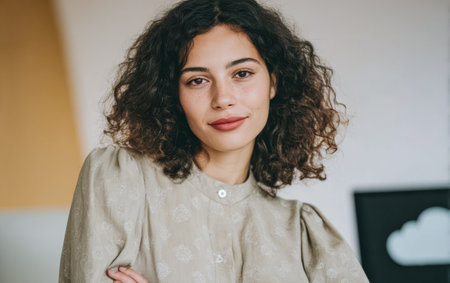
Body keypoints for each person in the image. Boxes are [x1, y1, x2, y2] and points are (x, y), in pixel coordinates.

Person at [59, 0, 369, 282]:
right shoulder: (121, 179)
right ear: (173, 95)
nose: (223, 99)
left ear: (273, 82)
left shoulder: (304, 233)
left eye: (242, 73)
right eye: (197, 80)